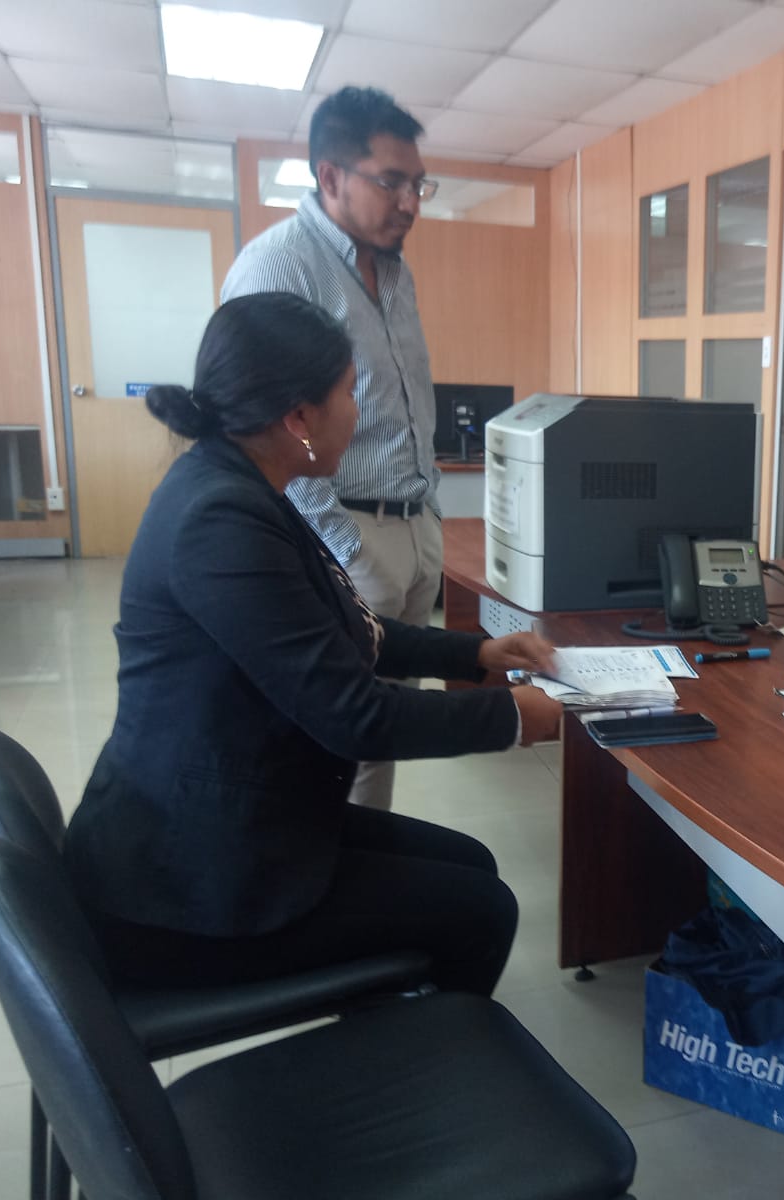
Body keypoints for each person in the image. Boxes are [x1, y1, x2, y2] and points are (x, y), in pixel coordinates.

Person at [62, 293, 564, 998]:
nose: (358, 414)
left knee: (471, 864)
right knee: (482, 909)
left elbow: (345, 631)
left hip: (239, 818)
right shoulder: (220, 521)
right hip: (188, 879)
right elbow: (356, 716)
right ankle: (406, 1054)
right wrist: (516, 718)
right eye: (350, 393)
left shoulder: (243, 485)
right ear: (298, 417)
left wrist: (474, 655)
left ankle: (393, 1020)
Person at [221, 86, 443, 811]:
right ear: (330, 176)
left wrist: (428, 520)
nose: (410, 202)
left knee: (382, 736)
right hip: (343, 533)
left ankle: (364, 856)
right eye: (392, 182)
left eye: (418, 184)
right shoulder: (278, 267)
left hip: (412, 527)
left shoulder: (397, 271)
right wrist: (344, 550)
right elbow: (266, 431)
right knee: (334, 736)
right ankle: (327, 865)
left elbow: (405, 400)